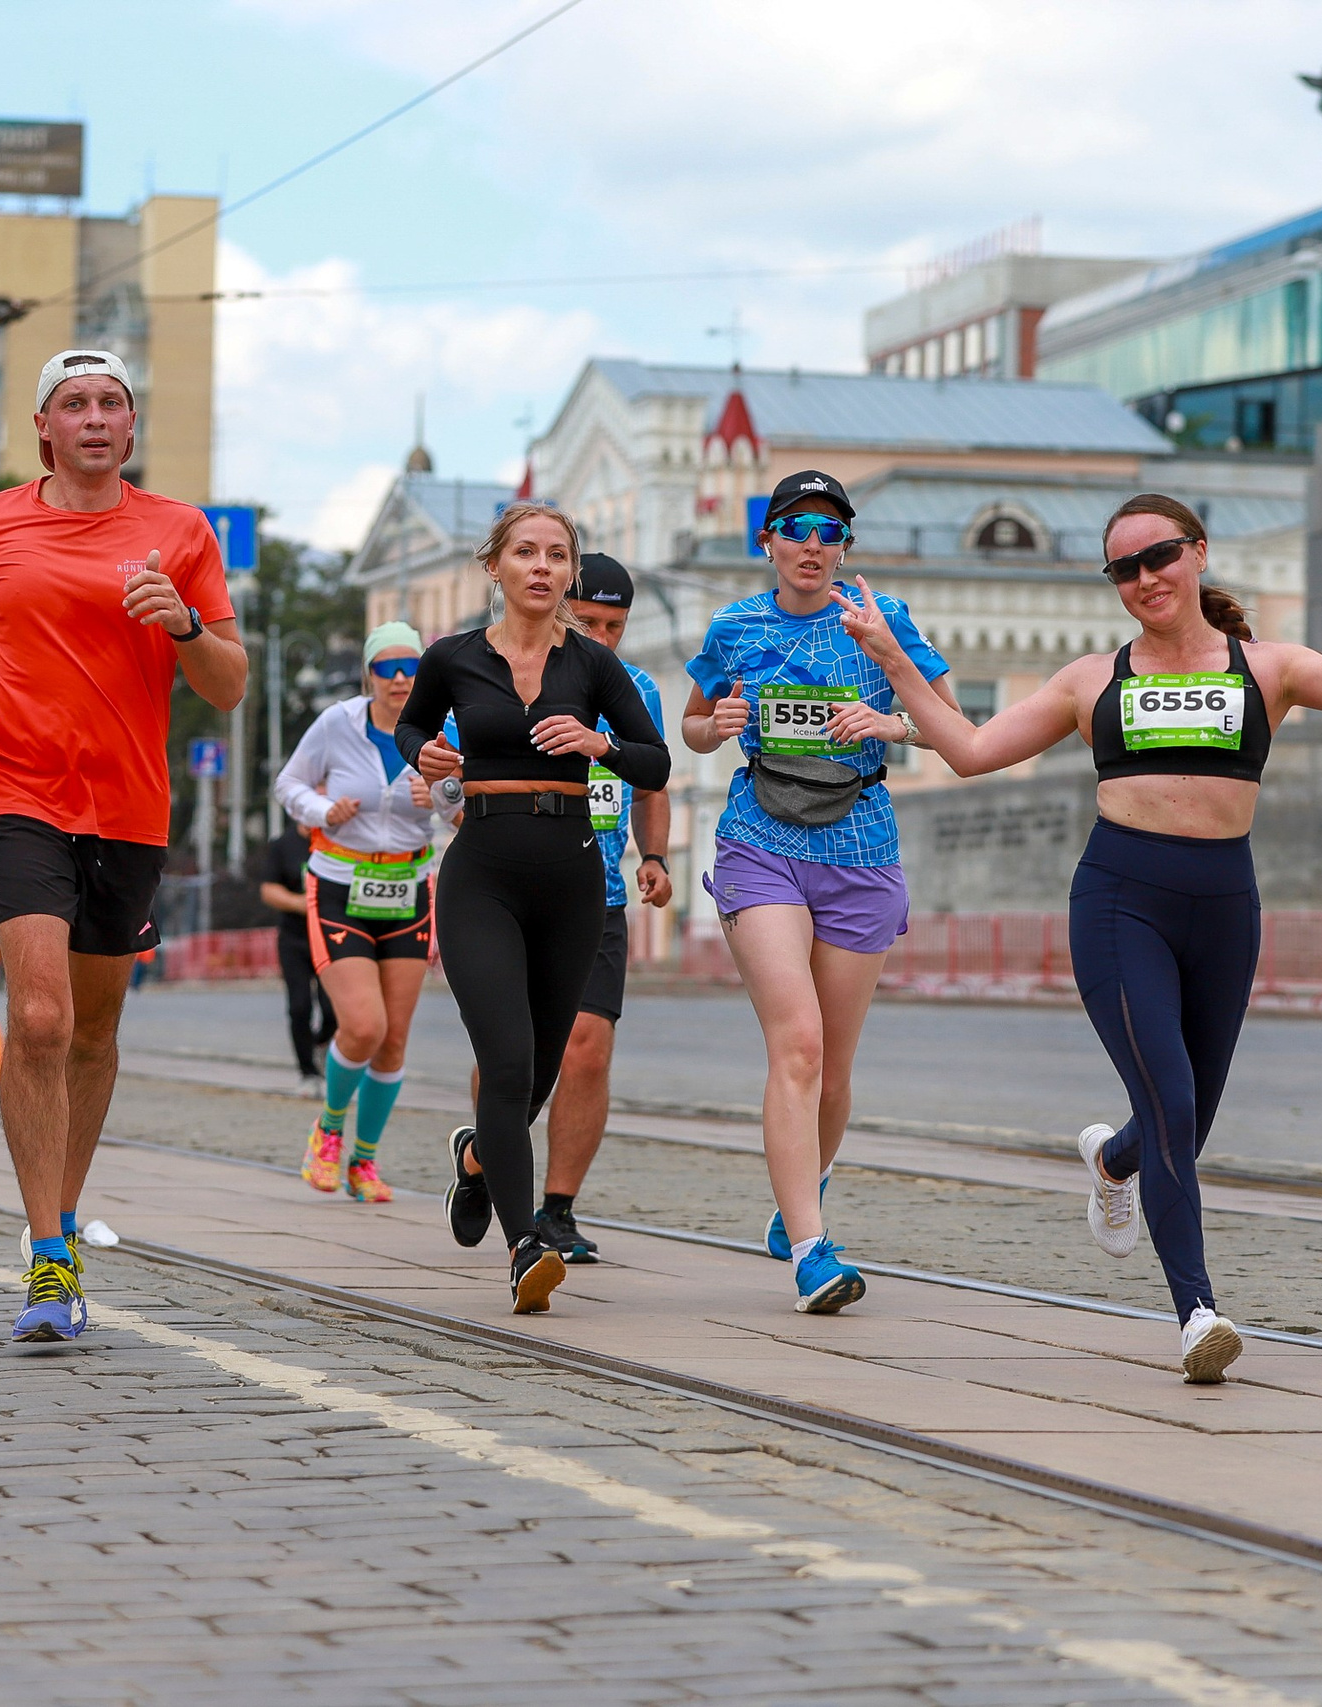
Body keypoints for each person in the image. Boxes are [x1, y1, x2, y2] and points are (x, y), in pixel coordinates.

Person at [838, 480, 1322, 1384]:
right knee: (1174, 1105)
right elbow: (969, 750)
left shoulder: (1268, 667)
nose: (1146, 577)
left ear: (1198, 554)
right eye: (1125, 568)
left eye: (1160, 556)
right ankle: (1198, 1312)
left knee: (1182, 1118)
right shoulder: (1090, 680)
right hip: (1122, 905)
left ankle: (1113, 1160)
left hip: (1225, 908)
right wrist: (891, 658)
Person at [0, 347, 246, 1344]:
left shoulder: (181, 532)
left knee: (93, 1031)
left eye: (112, 402)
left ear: (131, 426)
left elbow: (227, 685)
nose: (95, 416)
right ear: (44, 428)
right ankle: (49, 1255)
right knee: (40, 1016)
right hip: (16, 788)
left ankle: (59, 1214)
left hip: (130, 806)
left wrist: (185, 624)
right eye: (75, 403)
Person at [679, 472, 957, 1315]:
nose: (812, 543)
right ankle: (811, 1251)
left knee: (832, 1068)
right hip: (760, 841)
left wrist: (892, 722)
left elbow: (951, 726)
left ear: (845, 548)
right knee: (797, 1044)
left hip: (861, 849)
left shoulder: (882, 619)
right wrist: (715, 726)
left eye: (830, 531)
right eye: (796, 527)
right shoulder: (734, 626)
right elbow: (693, 725)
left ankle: (806, 1180)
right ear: (766, 539)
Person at [395, 500, 669, 1315]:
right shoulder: (452, 657)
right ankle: (526, 1247)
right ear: (496, 566)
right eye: (526, 552)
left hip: (573, 880)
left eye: (556, 554)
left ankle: (479, 1157)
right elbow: (412, 726)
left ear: (569, 571)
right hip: (481, 874)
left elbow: (654, 762)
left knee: (544, 1069)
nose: (542, 566)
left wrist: (599, 743)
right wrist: (427, 753)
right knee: (508, 1061)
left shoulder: (593, 665)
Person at [275, 620, 459, 1203]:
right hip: (340, 885)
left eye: (411, 667)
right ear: (368, 675)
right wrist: (322, 810)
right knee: (362, 1026)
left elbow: (463, 811)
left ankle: (365, 1161)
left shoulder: (444, 730)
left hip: (408, 890)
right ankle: (328, 1131)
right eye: (386, 668)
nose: (400, 679)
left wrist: (442, 795)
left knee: (393, 1040)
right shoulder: (338, 723)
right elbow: (288, 783)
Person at [528, 552, 672, 1263]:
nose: (603, 638)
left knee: (586, 1050)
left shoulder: (635, 688)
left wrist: (655, 856)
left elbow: (650, 783)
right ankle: (485, 1157)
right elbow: (459, 773)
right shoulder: (517, 672)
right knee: (519, 1054)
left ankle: (557, 1209)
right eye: (588, 622)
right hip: (516, 889)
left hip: (599, 897)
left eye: (615, 625)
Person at [257, 821, 335, 1086]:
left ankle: (322, 1041)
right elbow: (268, 890)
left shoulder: (339, 839)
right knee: (299, 1006)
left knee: (333, 1007)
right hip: (295, 939)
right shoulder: (283, 845)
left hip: (332, 937)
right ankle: (307, 1072)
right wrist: (300, 903)